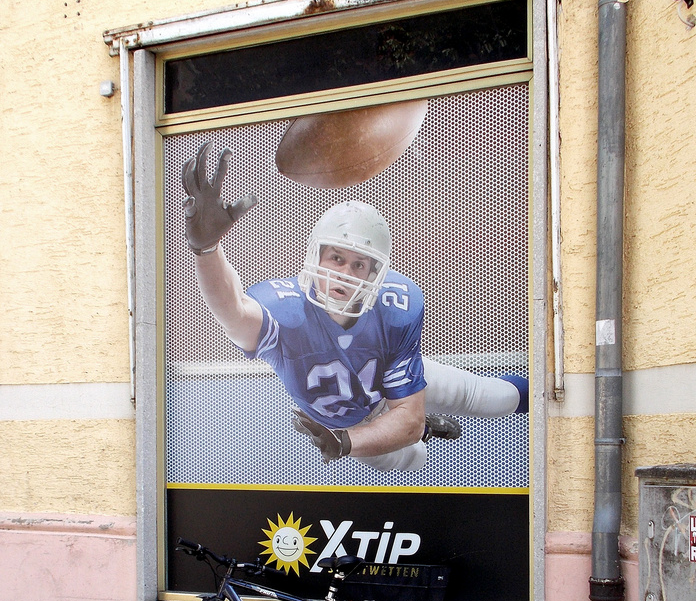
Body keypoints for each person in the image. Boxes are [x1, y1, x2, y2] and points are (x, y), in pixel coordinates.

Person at [181, 141, 528, 472]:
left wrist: (402, 422)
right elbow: (233, 312)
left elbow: (407, 417)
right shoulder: (285, 309)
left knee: (492, 398)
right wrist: (207, 250)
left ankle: (546, 399)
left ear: (378, 273)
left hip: (386, 389)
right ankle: (427, 430)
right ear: (316, 256)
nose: (346, 273)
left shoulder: (396, 304)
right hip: (346, 423)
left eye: (360, 264)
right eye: (336, 258)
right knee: (413, 459)